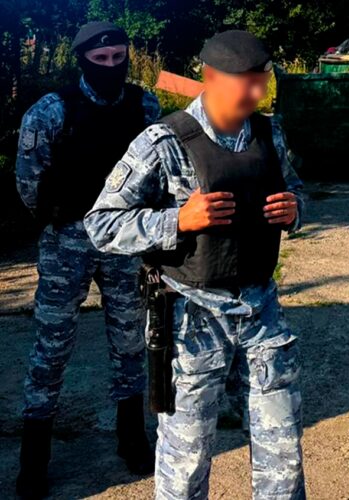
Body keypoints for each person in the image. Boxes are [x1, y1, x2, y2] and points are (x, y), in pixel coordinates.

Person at [84, 30, 307, 499]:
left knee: (283, 454)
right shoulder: (162, 142)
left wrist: (295, 211)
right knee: (185, 463)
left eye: (261, 80)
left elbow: (296, 190)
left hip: (261, 311)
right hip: (190, 317)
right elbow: (101, 224)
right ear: (210, 76)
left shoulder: (269, 133)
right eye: (244, 81)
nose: (255, 92)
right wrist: (177, 220)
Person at [15, 21, 160, 498]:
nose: (111, 66)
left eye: (118, 57)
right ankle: (34, 457)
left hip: (124, 243)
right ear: (81, 60)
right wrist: (58, 220)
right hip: (68, 243)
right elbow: (28, 182)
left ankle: (131, 437)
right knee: (52, 346)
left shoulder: (144, 107)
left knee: (130, 341)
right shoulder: (51, 111)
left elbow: (158, 174)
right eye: (100, 59)